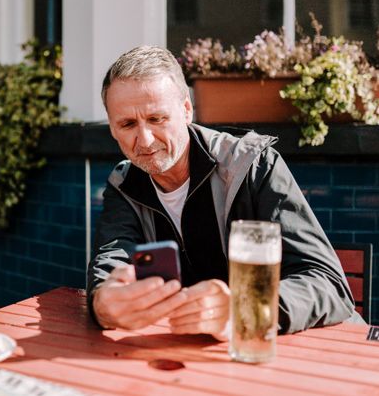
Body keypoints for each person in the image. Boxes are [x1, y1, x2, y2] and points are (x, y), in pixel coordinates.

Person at [87, 45, 362, 340]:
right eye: (128, 124)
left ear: (187, 110)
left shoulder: (252, 163)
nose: (145, 139)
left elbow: (328, 284)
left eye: (157, 119)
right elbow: (112, 260)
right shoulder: (125, 183)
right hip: (199, 356)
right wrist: (102, 302)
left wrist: (243, 311)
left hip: (310, 348)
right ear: (113, 130)